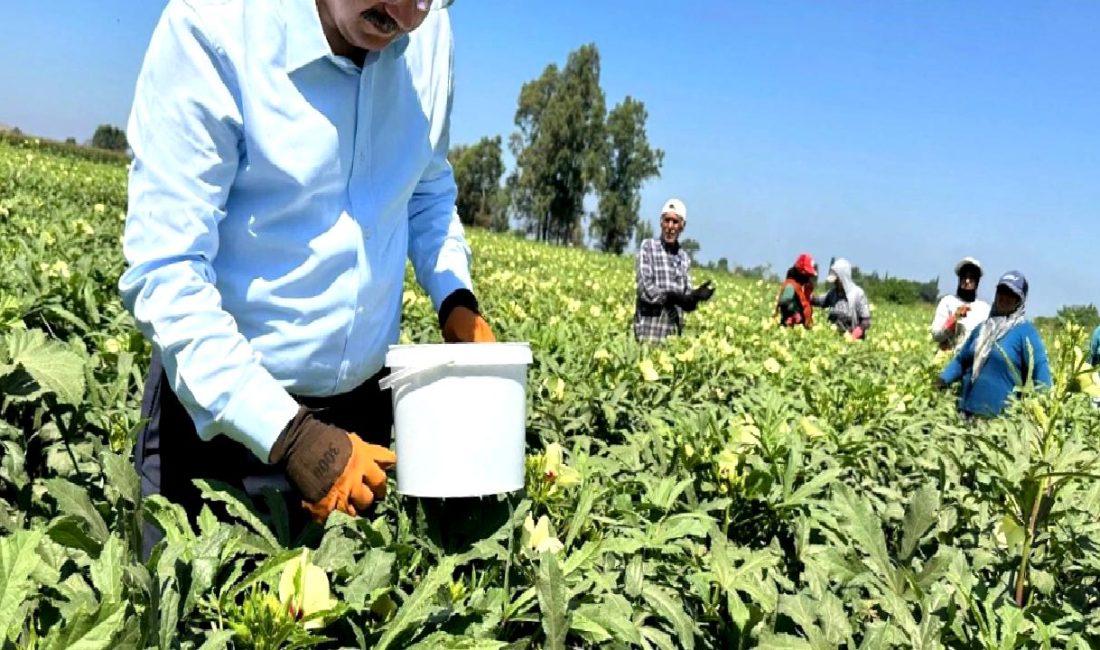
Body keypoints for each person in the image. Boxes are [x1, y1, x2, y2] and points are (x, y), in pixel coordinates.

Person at [119, 0, 495, 558]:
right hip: (221, 424)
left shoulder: (430, 28)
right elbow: (166, 272)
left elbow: (427, 185)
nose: (410, 17)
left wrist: (456, 298)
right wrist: (291, 436)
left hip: (363, 425)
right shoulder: (212, 25)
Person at [936, 271, 1051, 418]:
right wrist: (942, 380)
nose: (1005, 297)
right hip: (965, 413)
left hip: (998, 421)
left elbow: (1041, 371)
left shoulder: (1025, 332)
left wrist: (1041, 409)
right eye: (1002, 291)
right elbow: (961, 361)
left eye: (1012, 294)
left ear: (1020, 301)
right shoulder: (982, 329)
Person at [633, 198, 715, 342]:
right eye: (667, 220)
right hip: (647, 335)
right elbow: (645, 290)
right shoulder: (648, 247)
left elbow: (686, 301)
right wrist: (673, 297)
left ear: (682, 226)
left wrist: (695, 297)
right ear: (661, 222)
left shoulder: (684, 258)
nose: (670, 226)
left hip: (672, 338)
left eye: (675, 222)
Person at [931, 257, 991, 352]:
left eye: (971, 277)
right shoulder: (948, 301)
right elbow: (936, 336)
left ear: (977, 281)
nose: (967, 281)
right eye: (964, 277)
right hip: (949, 357)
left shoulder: (984, 309)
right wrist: (953, 319)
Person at [811, 258, 871, 339]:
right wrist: (808, 296)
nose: (834, 282)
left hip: (852, 340)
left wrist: (853, 336)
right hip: (833, 338)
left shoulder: (858, 294)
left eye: (836, 280)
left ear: (844, 278)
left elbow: (866, 321)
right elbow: (818, 301)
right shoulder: (832, 293)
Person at [775, 253, 818, 328]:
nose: (808, 279)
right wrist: (795, 313)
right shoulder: (791, 286)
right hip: (792, 328)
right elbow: (785, 302)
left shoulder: (796, 285)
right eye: (807, 275)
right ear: (801, 273)